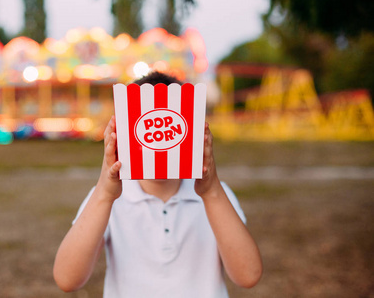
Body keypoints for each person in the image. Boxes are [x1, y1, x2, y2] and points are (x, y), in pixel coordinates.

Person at [53, 72, 263, 298]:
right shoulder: (105, 199)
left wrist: (211, 192)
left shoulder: (217, 197)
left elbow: (248, 276)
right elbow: (67, 279)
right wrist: (104, 193)